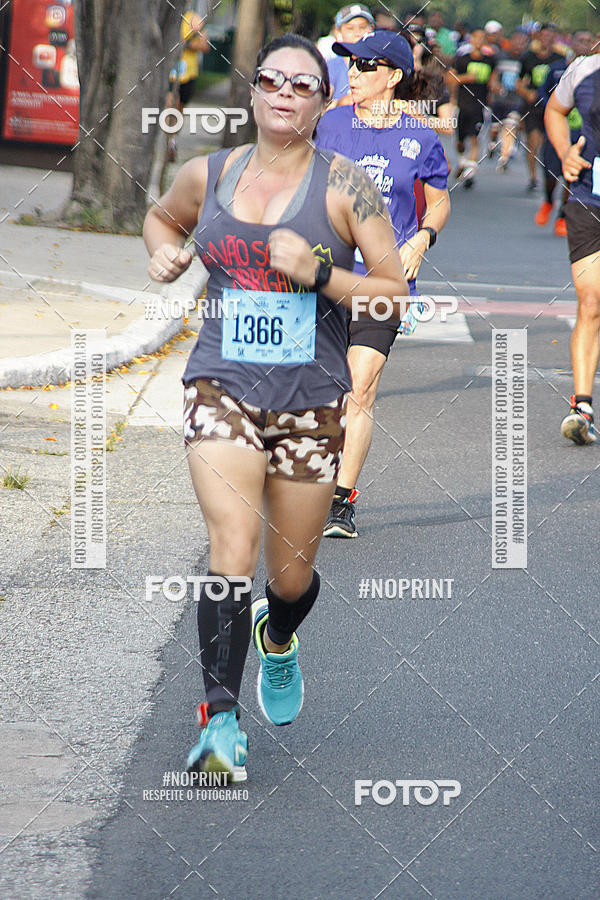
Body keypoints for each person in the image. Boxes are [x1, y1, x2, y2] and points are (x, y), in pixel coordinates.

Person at [143, 33, 408, 777]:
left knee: (289, 576)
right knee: (230, 542)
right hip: (220, 384)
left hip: (309, 400)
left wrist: (323, 272)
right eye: (271, 80)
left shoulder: (346, 186)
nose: (285, 93)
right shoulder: (210, 173)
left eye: (303, 84)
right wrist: (161, 253)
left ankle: (279, 635)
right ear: (253, 92)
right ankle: (219, 723)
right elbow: (163, 218)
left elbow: (391, 289)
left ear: (324, 103)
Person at [315, 30, 450, 538]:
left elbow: (438, 200)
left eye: (366, 66)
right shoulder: (326, 126)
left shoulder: (420, 137)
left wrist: (423, 237)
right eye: (350, 63)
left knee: (361, 386)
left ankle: (341, 501)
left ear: (393, 76)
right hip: (325, 276)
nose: (354, 71)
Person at [545, 51, 600, 444]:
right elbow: (554, 110)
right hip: (588, 199)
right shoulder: (584, 69)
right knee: (591, 300)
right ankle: (582, 406)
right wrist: (565, 152)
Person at [535, 31, 594, 236]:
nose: (585, 45)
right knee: (552, 174)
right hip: (560, 131)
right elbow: (544, 95)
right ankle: (549, 200)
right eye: (581, 41)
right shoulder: (558, 69)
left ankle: (562, 214)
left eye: (589, 41)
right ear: (572, 43)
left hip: (583, 133)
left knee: (573, 175)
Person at [516, 23, 563, 191]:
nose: (546, 39)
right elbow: (518, 83)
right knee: (534, 141)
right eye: (544, 36)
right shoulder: (528, 57)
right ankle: (533, 177)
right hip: (533, 106)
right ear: (538, 37)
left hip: (553, 106)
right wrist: (527, 93)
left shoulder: (559, 59)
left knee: (548, 143)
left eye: (550, 36)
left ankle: (550, 176)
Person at [450, 29, 496, 188]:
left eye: (482, 39)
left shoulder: (489, 61)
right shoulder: (462, 59)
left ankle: (470, 173)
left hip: (479, 106)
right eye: (476, 38)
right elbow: (450, 78)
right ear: (471, 40)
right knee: (460, 142)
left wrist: (495, 88)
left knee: (475, 138)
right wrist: (466, 78)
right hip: (462, 105)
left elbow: (493, 80)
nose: (479, 41)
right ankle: (463, 162)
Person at [167, 9, 209, 162]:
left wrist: (188, 45)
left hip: (189, 73)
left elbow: (205, 46)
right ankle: (168, 142)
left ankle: (173, 139)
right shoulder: (168, 15)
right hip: (171, 72)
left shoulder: (194, 19)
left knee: (179, 109)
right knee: (170, 105)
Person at [488, 29, 528, 170]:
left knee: (510, 127)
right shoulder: (500, 57)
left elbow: (527, 79)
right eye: (517, 41)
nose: (519, 45)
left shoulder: (525, 60)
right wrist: (495, 87)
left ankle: (504, 157)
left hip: (515, 101)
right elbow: (493, 75)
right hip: (499, 99)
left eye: (523, 43)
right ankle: (492, 143)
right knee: (494, 128)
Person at [327, 4, 375, 105]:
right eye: (350, 28)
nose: (357, 33)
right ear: (338, 32)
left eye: (362, 27)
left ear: (372, 29)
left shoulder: (379, 63)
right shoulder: (330, 67)